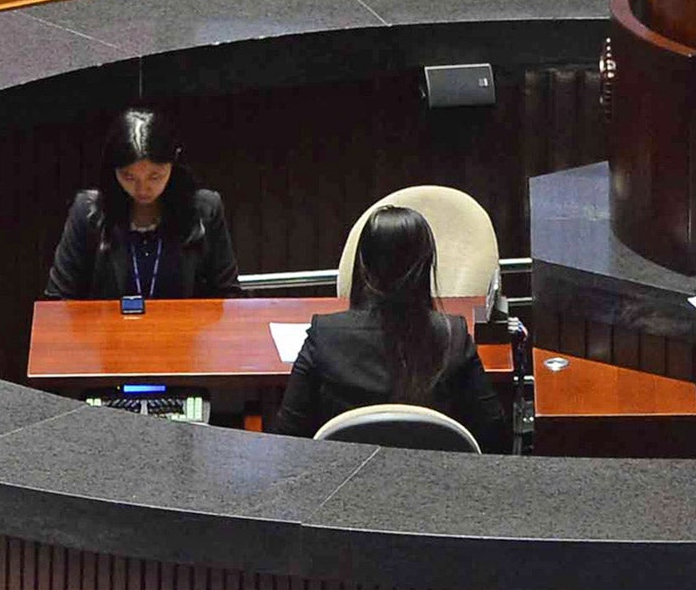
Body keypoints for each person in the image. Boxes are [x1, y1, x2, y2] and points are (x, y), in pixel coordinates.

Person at [271, 205, 510, 453]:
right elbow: (495, 439)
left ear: (363, 266)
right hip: (435, 487)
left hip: (343, 488)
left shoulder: (325, 335)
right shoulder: (454, 336)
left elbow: (286, 441)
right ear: (427, 266)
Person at [43, 107, 243, 301]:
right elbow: (59, 298)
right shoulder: (87, 212)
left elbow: (228, 294)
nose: (142, 189)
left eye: (154, 176)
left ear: (174, 164)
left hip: (186, 334)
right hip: (107, 334)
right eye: (128, 177)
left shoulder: (205, 209)